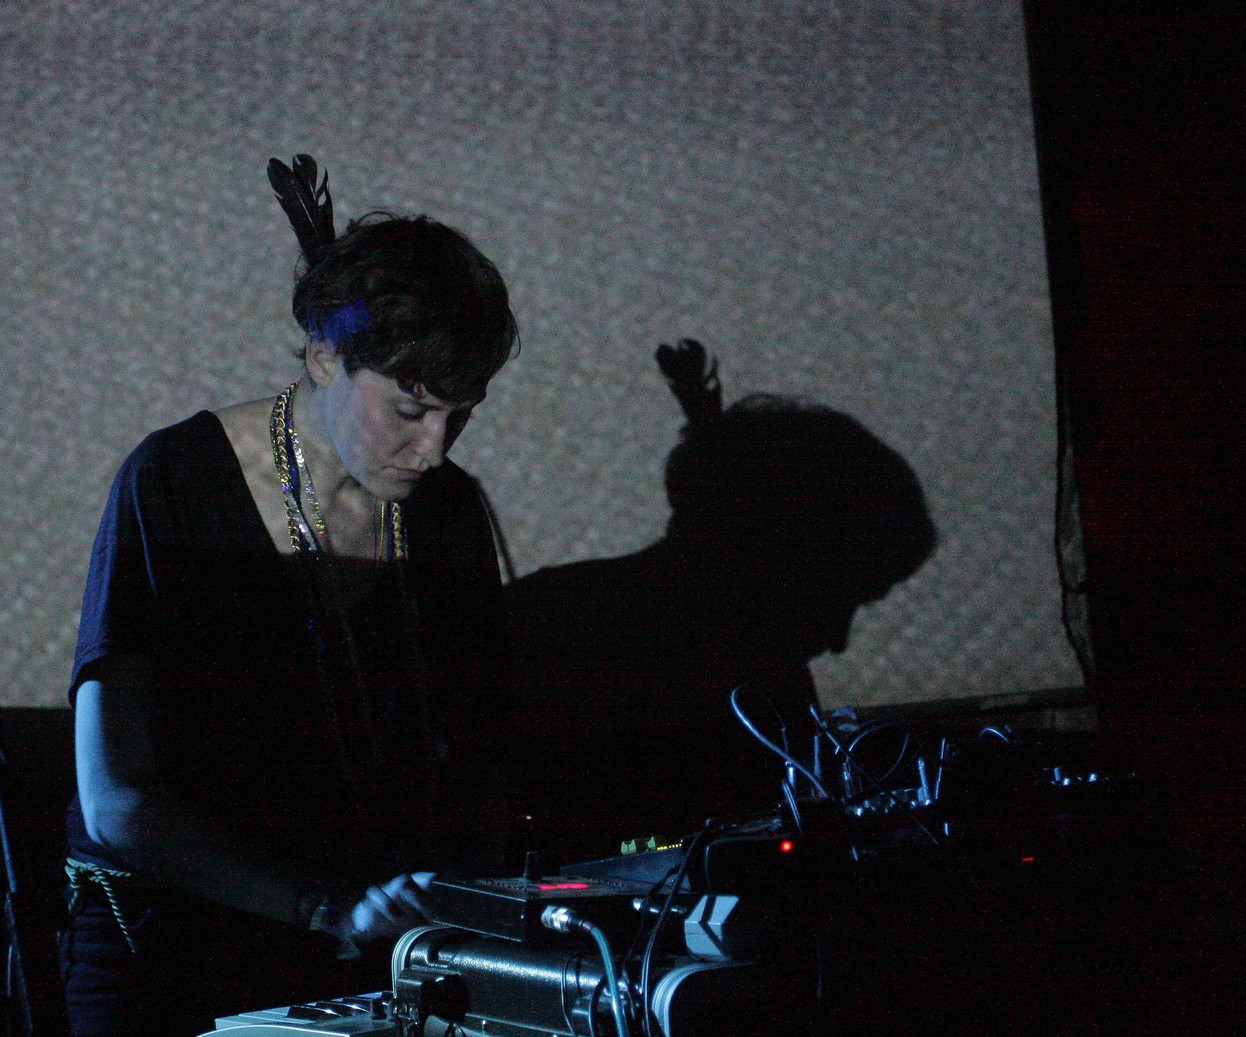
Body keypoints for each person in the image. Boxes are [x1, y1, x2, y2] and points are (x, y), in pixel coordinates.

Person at [59, 156, 518, 1036]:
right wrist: (323, 904)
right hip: (168, 950)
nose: (434, 448)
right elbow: (117, 798)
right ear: (322, 358)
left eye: (461, 413)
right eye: (409, 410)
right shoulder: (176, 478)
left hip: (366, 949)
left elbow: (477, 770)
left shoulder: (446, 509)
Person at [507, 341, 936, 866]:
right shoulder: (759, 687)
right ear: (778, 560)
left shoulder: (546, 612)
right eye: (841, 595)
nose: (839, 641)